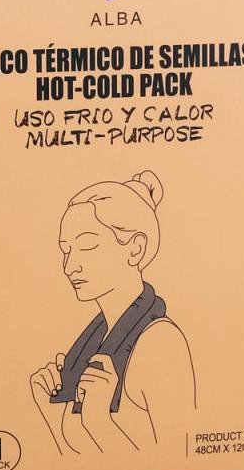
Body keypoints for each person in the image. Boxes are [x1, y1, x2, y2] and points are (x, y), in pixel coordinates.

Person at [30, 170, 196, 455]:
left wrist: (98, 420)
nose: (70, 266)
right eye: (66, 250)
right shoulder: (88, 346)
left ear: (135, 249)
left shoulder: (161, 342)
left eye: (86, 245)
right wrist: (48, 409)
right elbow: (73, 463)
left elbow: (181, 459)